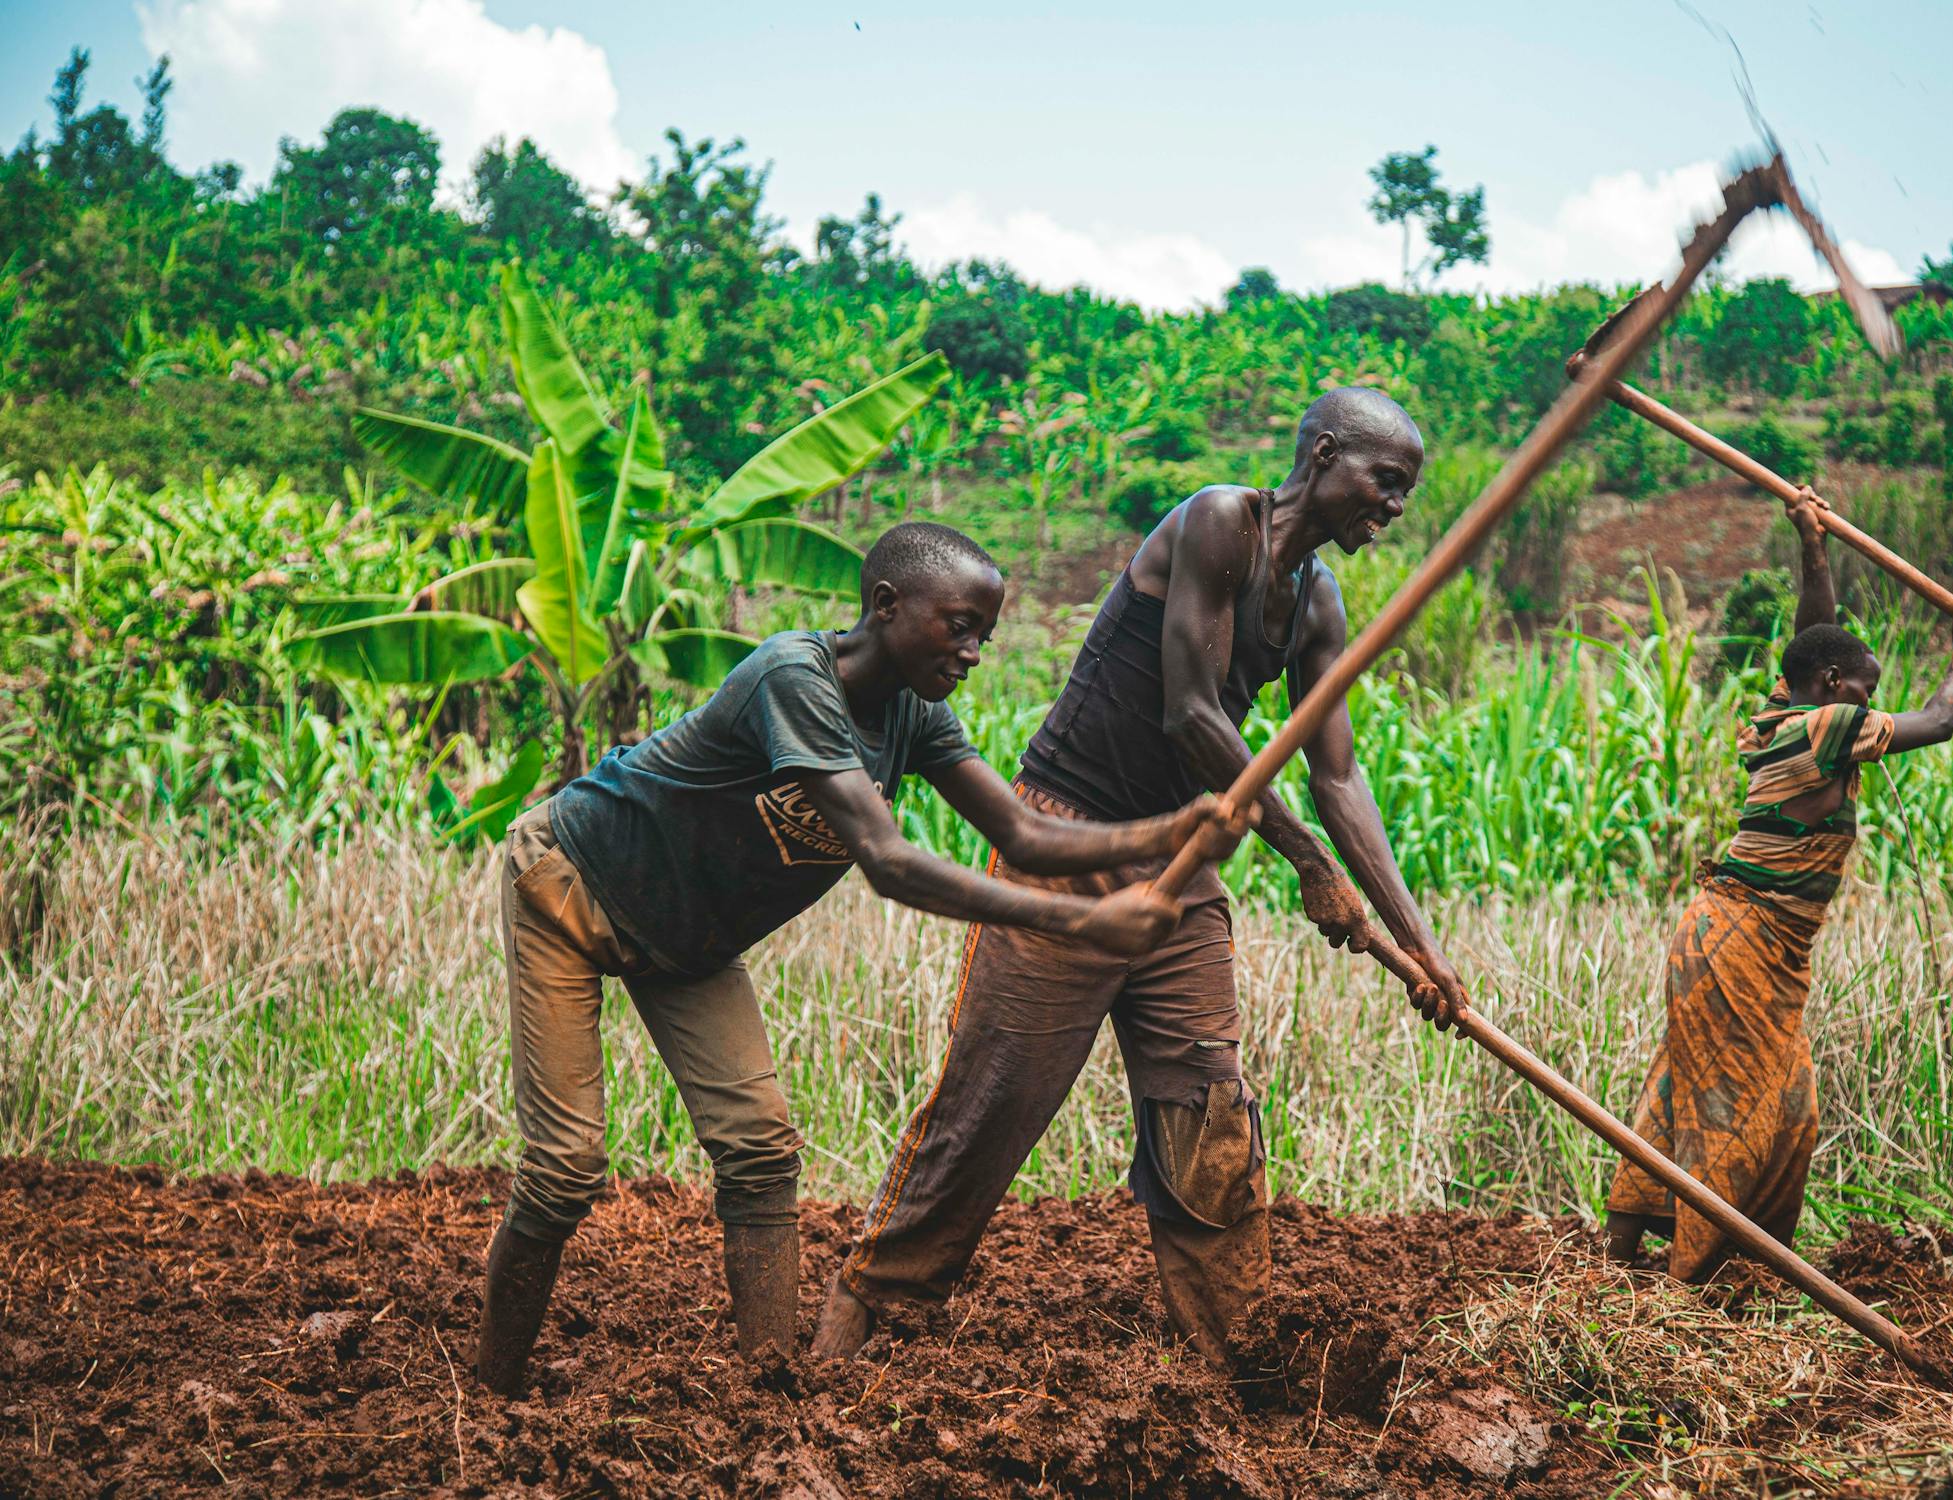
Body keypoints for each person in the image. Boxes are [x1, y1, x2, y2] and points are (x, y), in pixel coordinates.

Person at [476, 521, 1248, 1396]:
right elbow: (889, 862)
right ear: (886, 606)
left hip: (688, 939)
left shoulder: (913, 715)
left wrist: (1168, 830)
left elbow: (1022, 830)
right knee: (567, 1166)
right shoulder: (791, 679)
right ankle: (494, 1398)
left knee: (762, 1152)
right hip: (570, 885)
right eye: (958, 626)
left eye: (984, 635)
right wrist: (1084, 924)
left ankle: (769, 1400)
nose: (973, 652)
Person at [814, 388, 1474, 1364]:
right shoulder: (1216, 523)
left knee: (1209, 1114)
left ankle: (1225, 1363)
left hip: (1183, 871)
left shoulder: (1319, 604)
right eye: (1385, 481)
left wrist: (1421, 946)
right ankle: (855, 1340)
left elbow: (1336, 771)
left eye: (1408, 493)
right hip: (1067, 848)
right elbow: (1193, 717)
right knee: (991, 1104)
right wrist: (1305, 864)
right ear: (1324, 452)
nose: (1395, 507)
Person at [1603, 492, 1953, 1281]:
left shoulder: (1787, 715)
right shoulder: (1825, 726)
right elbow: (1941, 721)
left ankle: (1629, 1254)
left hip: (1732, 939)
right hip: (1742, 942)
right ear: (1832, 686)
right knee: (1738, 1106)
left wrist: (1813, 549)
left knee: (1751, 1096)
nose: (1870, 703)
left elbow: (1808, 639)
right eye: (1863, 687)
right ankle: (1680, 1292)